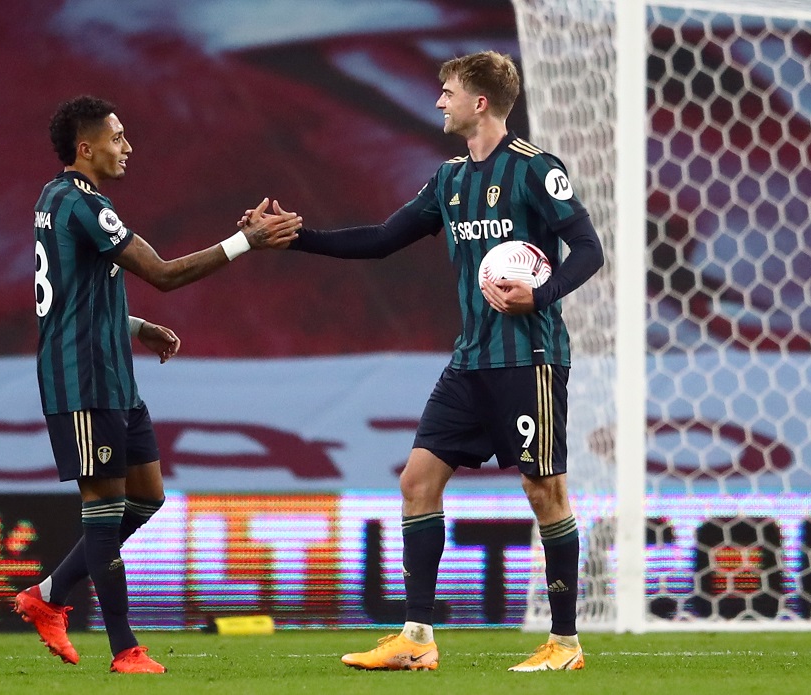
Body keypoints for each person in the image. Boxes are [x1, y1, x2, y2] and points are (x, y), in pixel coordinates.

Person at [247, 51, 603, 672]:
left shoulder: (535, 171)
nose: (439, 101)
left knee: (544, 490)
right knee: (417, 481)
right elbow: (383, 239)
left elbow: (589, 250)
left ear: (480, 102)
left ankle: (565, 644)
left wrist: (539, 294)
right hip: (470, 361)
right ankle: (416, 638)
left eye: (448, 91)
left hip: (531, 358)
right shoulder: (449, 180)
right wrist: (295, 237)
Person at [16, 95, 301, 674]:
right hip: (82, 380)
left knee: (147, 497)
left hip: (113, 374)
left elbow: (71, 297)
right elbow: (166, 274)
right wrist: (247, 241)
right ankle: (126, 650)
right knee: (104, 505)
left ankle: (47, 596)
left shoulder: (61, 199)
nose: (128, 147)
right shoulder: (81, 203)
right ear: (86, 147)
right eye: (117, 137)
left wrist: (136, 325)